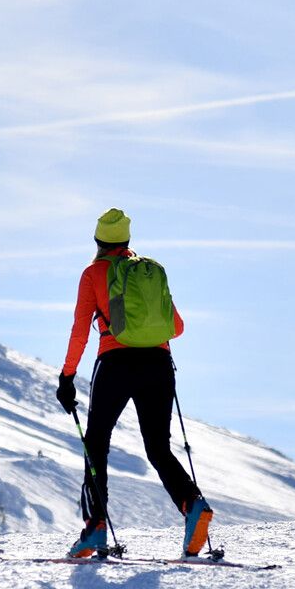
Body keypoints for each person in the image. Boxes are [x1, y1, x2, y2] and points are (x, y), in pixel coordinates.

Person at [56, 208, 213, 558]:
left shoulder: (93, 273)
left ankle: (95, 529)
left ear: (98, 241)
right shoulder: (150, 270)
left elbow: (81, 330)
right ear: (127, 240)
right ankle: (194, 505)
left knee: (96, 443)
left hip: (115, 363)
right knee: (158, 448)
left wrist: (67, 376)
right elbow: (178, 327)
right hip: (159, 364)